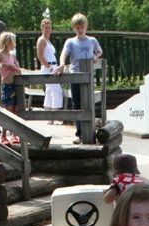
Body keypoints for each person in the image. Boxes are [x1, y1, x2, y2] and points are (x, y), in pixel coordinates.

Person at [54, 13, 102, 144]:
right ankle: (79, 133)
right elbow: (64, 53)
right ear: (74, 28)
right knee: (77, 105)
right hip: (76, 75)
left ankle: (89, 132)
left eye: (82, 27)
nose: (80, 30)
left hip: (88, 76)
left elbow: (99, 51)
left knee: (88, 103)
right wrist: (62, 63)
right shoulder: (70, 41)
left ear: (86, 27)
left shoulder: (92, 40)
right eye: (77, 28)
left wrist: (95, 55)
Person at [0, 32, 22, 145]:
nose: (15, 44)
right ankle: (3, 136)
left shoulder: (12, 55)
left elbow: (19, 70)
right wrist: (4, 65)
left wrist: (15, 68)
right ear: (7, 42)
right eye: (13, 41)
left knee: (15, 110)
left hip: (15, 85)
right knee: (8, 111)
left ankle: (14, 134)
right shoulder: (0, 54)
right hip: (6, 86)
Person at [36, 18, 63, 125]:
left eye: (49, 27)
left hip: (53, 65)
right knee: (57, 91)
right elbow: (40, 56)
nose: (47, 29)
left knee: (49, 91)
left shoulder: (48, 41)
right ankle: (56, 117)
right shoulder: (41, 40)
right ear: (42, 28)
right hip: (48, 67)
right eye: (45, 28)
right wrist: (50, 68)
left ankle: (49, 118)